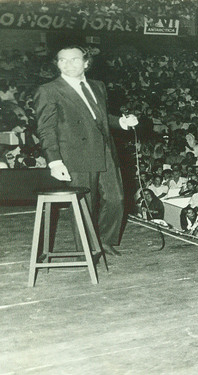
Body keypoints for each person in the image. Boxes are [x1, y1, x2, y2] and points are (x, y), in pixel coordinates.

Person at [34, 45, 139, 256]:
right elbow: (45, 129)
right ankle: (88, 249)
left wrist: (122, 122)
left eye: (73, 59)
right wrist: (54, 161)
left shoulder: (97, 85)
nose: (66, 64)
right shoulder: (48, 90)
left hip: (104, 150)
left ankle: (105, 240)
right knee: (85, 206)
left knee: (116, 199)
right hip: (76, 154)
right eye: (62, 60)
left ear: (86, 63)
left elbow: (100, 117)